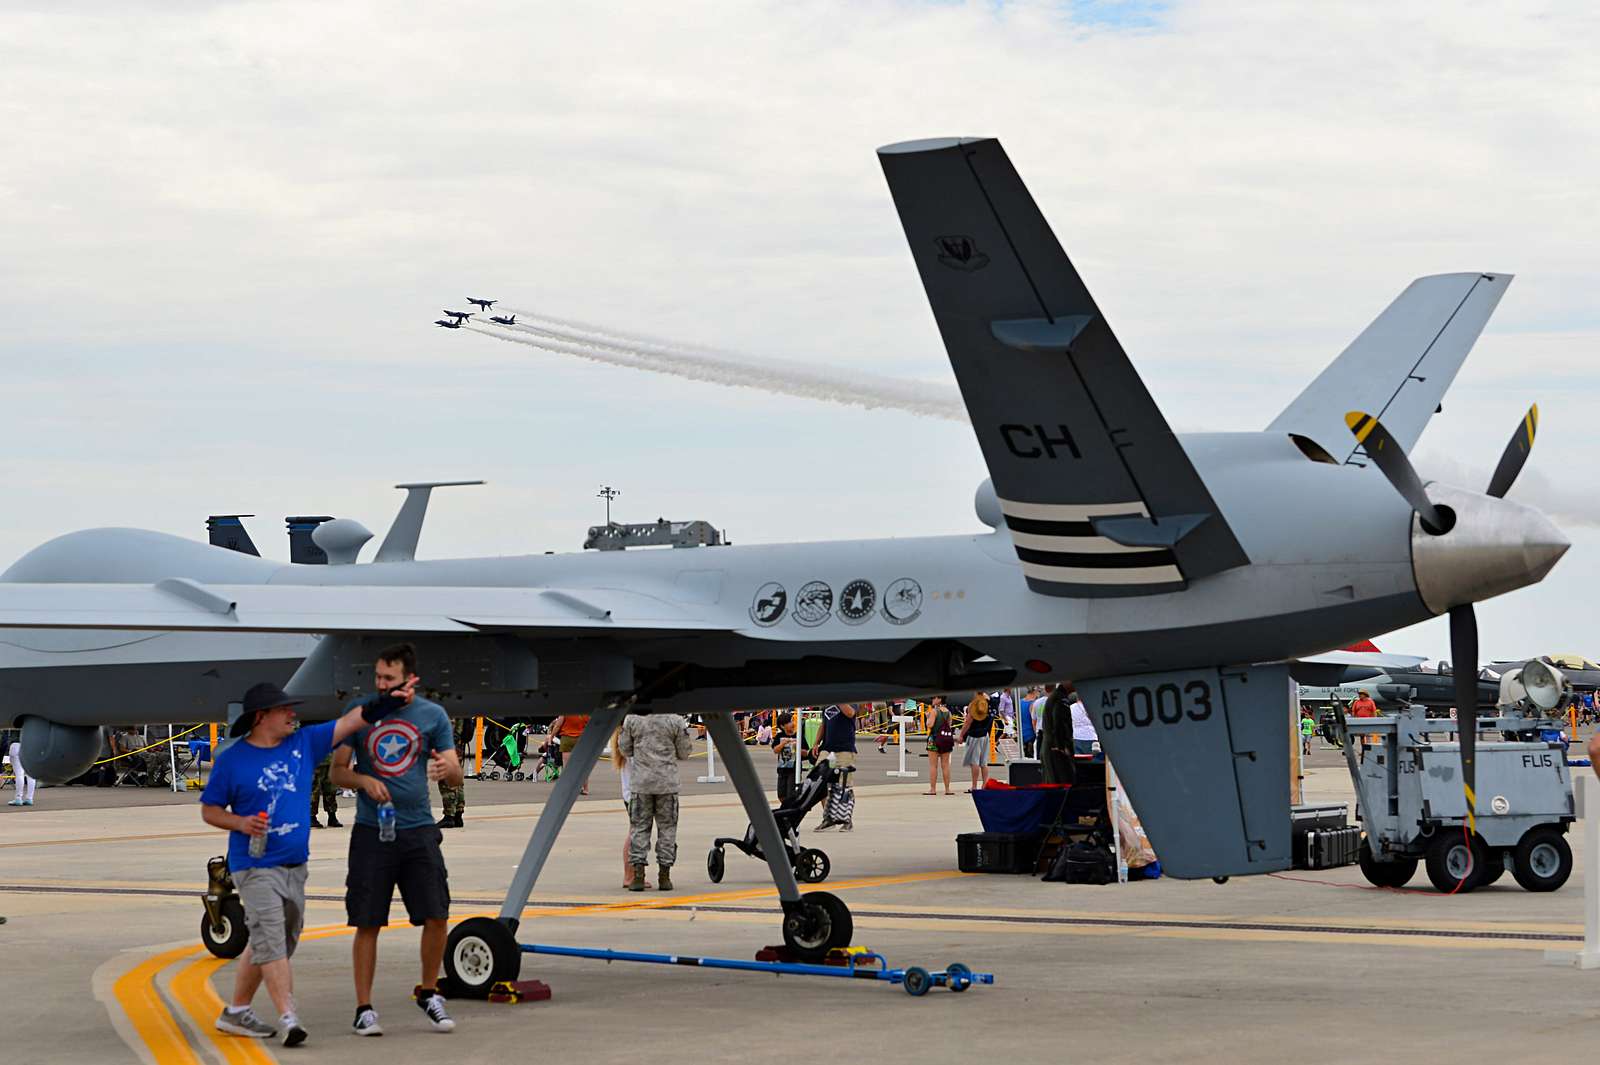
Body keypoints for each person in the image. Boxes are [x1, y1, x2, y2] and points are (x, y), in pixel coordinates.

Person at [200, 682, 377, 1047]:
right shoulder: (233, 760)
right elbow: (210, 810)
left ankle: (236, 1012)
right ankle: (289, 1017)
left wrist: (389, 698)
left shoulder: (304, 743)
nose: (292, 715)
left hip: (295, 865)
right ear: (262, 717)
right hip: (253, 864)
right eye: (285, 710)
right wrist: (241, 823)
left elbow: (350, 722)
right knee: (271, 934)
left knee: (277, 936)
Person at [330, 643, 462, 1037]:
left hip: (418, 828)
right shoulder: (362, 713)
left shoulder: (432, 715)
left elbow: (454, 774)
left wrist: (448, 768)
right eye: (378, 678)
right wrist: (364, 779)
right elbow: (338, 772)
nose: (382, 685)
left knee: (437, 913)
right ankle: (364, 1008)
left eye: (389, 678)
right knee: (367, 920)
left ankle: (428, 992)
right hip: (373, 831)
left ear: (410, 679)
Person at [617, 711, 694, 891]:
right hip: (667, 783)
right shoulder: (675, 720)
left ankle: (637, 875)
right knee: (667, 829)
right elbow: (684, 752)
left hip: (641, 783)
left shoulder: (632, 720)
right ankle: (664, 875)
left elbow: (625, 749)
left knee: (639, 829)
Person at [811, 703, 859, 831]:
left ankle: (846, 820)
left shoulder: (851, 701)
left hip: (844, 749)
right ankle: (829, 818)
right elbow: (823, 724)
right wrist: (816, 743)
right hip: (827, 748)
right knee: (819, 781)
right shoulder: (827, 704)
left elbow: (850, 713)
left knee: (844, 786)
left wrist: (839, 699)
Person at [611, 726, 639, 889]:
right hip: (635, 793)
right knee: (635, 834)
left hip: (630, 792)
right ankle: (629, 875)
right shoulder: (628, 738)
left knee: (635, 832)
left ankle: (632, 873)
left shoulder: (621, 736)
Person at [1040, 685, 1077, 786]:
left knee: (1052, 783)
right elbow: (1059, 722)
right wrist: (1061, 746)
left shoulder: (1054, 697)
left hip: (1049, 746)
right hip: (1056, 749)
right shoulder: (1060, 699)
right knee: (1062, 784)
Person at [436, 716, 469, 829]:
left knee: (446, 778)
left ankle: (449, 815)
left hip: (450, 743)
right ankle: (457, 815)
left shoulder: (451, 708)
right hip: (457, 743)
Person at [957, 691, 993, 791]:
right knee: (983, 762)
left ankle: (974, 786)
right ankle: (985, 783)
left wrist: (961, 735)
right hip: (985, 734)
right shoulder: (988, 702)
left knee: (975, 762)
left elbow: (968, 722)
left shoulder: (974, 704)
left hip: (975, 735)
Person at [550, 712, 592, 794]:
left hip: (567, 739)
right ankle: (585, 788)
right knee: (582, 766)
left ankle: (567, 788)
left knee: (567, 766)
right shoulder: (585, 712)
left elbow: (558, 725)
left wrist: (551, 736)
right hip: (581, 739)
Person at [924, 696, 954, 795]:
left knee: (933, 766)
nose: (932, 699)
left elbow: (930, 725)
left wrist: (927, 718)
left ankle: (933, 789)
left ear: (939, 699)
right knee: (945, 765)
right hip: (946, 739)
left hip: (934, 739)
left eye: (934, 698)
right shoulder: (948, 712)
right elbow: (949, 725)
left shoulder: (934, 711)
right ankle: (947, 789)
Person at [772, 712, 799, 806]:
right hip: (782, 768)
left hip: (794, 769)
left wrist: (797, 747)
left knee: (790, 794)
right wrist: (783, 744)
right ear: (782, 726)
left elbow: (806, 752)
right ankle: (786, 808)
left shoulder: (798, 736)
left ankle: (788, 810)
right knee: (781, 794)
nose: (793, 723)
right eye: (790, 721)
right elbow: (775, 750)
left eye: (793, 721)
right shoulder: (779, 736)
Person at [5, 727, 35, 806]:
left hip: (16, 745)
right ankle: (29, 798)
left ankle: (18, 798)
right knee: (31, 774)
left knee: (19, 773)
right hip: (31, 745)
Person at [309, 753, 341, 828]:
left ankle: (332, 815)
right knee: (314, 790)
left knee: (331, 789)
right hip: (316, 760)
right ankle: (311, 817)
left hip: (331, 760)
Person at [1069, 690, 1098, 758]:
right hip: (1091, 737)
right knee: (1093, 760)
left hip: (1076, 737)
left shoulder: (1071, 708)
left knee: (1078, 760)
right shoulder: (1093, 706)